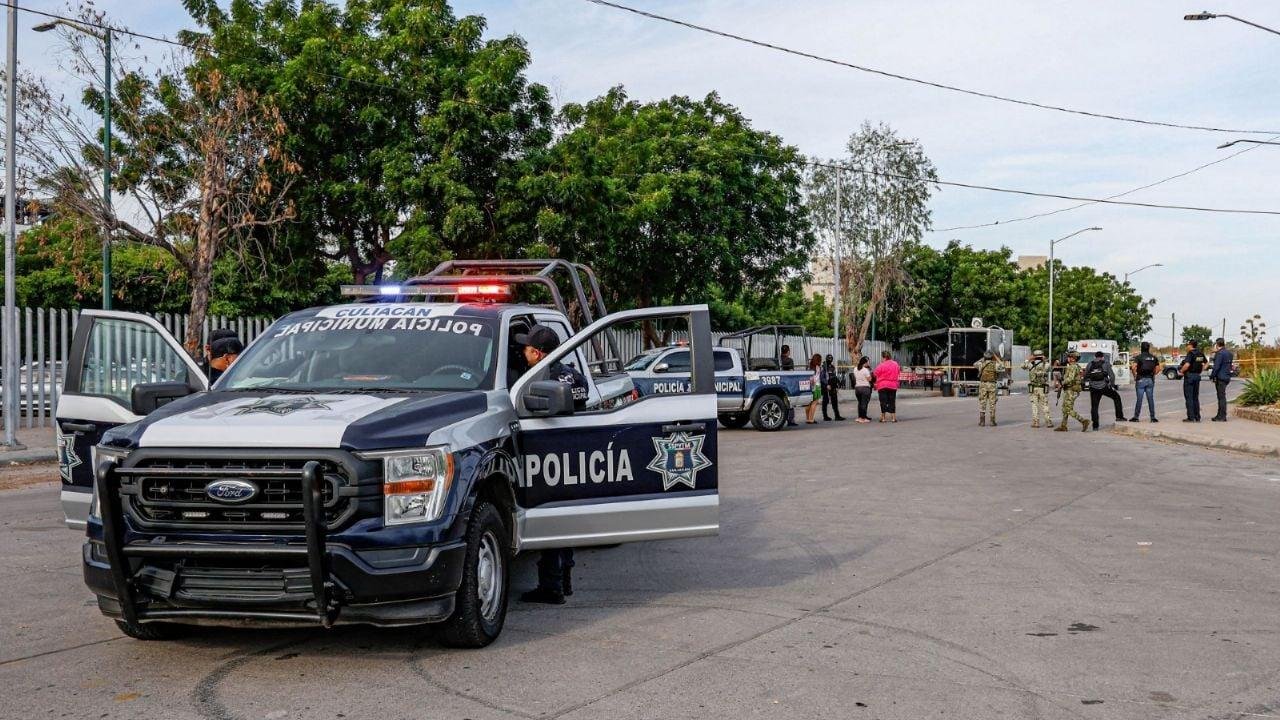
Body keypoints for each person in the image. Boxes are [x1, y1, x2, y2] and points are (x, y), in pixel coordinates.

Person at [514, 324, 588, 605]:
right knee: (565, 522)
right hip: (574, 454)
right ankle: (565, 581)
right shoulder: (575, 376)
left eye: (526, 348)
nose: (523, 352)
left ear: (537, 352)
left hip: (550, 455)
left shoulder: (538, 379)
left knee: (551, 522)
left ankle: (552, 587)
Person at [1084, 350, 1125, 431]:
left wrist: (1089, 383)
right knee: (1116, 397)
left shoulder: (1090, 364)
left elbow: (1086, 376)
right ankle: (1119, 417)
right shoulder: (1105, 363)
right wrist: (1112, 385)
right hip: (1104, 387)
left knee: (1094, 407)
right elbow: (1112, 376)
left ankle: (1095, 426)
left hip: (1094, 388)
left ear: (1094, 357)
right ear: (1102, 357)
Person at [1054, 349, 1090, 432]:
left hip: (1072, 390)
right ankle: (1063, 426)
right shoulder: (1072, 366)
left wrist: (1061, 383)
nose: (1067, 358)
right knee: (1064, 408)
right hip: (1069, 390)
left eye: (1069, 356)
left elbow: (1070, 379)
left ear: (1073, 358)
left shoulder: (1073, 367)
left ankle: (1084, 421)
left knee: (1067, 409)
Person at [1129, 341, 1162, 423]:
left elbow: (1133, 367)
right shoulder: (1153, 357)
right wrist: (1153, 374)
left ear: (1141, 348)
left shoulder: (1139, 357)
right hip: (1150, 379)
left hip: (1140, 379)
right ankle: (1153, 417)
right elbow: (1158, 368)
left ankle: (1136, 417)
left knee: (1139, 399)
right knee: (1150, 398)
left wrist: (1135, 376)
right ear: (1148, 348)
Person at [1021, 349, 1051, 428]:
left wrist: (1028, 359)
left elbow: (1022, 366)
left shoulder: (1030, 364)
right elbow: (1049, 367)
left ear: (1034, 356)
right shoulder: (1046, 365)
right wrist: (1044, 360)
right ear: (1042, 356)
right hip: (1043, 388)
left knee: (1034, 405)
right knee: (1045, 405)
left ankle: (1036, 422)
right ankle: (1048, 422)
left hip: (1033, 388)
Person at [973, 350, 1004, 427]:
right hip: (992, 385)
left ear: (985, 357)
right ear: (992, 357)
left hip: (983, 385)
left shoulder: (981, 364)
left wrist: (983, 358)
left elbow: (974, 364)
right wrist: (996, 357)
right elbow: (1003, 367)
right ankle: (992, 421)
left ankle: (982, 421)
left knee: (982, 402)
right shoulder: (995, 364)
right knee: (992, 403)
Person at [1179, 340, 1208, 422]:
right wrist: (1201, 370)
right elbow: (1206, 363)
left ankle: (1191, 417)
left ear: (1191, 345)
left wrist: (1181, 371)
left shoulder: (1191, 353)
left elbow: (1187, 365)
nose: (1186, 346)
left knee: (1189, 397)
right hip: (1197, 376)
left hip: (1190, 376)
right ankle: (1197, 416)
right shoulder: (1200, 353)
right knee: (1195, 397)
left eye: (1187, 345)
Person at [1209, 338, 1234, 422]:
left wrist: (1212, 376)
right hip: (1227, 376)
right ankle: (1220, 415)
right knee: (1222, 396)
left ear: (1217, 345)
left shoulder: (1219, 354)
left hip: (1220, 377)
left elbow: (1216, 367)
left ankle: (1222, 416)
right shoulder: (1229, 353)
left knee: (1221, 397)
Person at [872, 350, 900, 423]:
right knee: (892, 401)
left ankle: (883, 418)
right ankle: (893, 418)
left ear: (884, 357)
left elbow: (875, 374)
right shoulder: (896, 364)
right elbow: (898, 372)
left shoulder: (881, 365)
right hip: (893, 385)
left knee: (883, 401)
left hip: (882, 385)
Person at [821, 354, 845, 421]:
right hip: (826, 386)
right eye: (829, 358)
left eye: (831, 358)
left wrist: (837, 384)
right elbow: (822, 378)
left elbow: (834, 376)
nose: (830, 359)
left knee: (835, 401)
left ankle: (837, 416)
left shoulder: (832, 367)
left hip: (833, 386)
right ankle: (825, 416)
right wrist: (826, 384)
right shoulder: (824, 367)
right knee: (825, 401)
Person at [780, 344, 798, 427]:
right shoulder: (789, 360)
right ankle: (790, 420)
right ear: (788, 352)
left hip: (779, 382)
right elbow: (791, 372)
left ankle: (782, 419)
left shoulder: (778, 359)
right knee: (790, 402)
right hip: (787, 382)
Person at [852, 356, 874, 423]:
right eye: (868, 362)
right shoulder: (865, 370)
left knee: (860, 403)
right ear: (865, 363)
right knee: (864, 403)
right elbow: (869, 379)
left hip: (857, 388)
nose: (868, 363)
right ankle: (863, 418)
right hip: (865, 388)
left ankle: (859, 417)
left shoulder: (855, 369)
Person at [805, 353, 823, 424]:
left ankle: (807, 418)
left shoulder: (809, 367)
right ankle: (811, 419)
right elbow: (816, 378)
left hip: (809, 386)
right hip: (816, 386)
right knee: (814, 403)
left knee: (808, 404)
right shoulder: (818, 367)